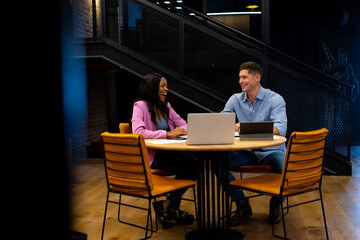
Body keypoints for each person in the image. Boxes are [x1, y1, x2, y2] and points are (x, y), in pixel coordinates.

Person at [221, 62, 287, 226]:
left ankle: (276, 203)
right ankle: (242, 204)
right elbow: (222, 122)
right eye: (239, 78)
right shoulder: (235, 99)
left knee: (287, 170)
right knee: (218, 164)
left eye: (244, 77)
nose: (240, 81)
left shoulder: (275, 99)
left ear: (257, 77)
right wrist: (229, 125)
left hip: (272, 151)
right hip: (246, 151)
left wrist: (244, 128)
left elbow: (280, 129)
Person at [131, 72, 196, 228]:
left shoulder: (166, 106)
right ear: (153, 88)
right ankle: (172, 208)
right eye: (163, 85)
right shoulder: (140, 106)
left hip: (169, 153)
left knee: (195, 166)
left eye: (166, 85)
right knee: (190, 168)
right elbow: (137, 132)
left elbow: (182, 123)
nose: (167, 89)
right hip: (152, 157)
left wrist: (183, 130)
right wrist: (167, 133)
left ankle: (168, 205)